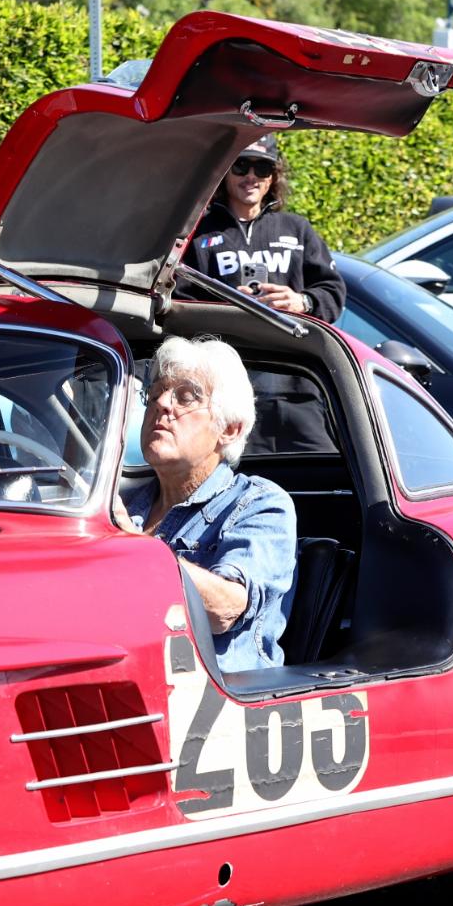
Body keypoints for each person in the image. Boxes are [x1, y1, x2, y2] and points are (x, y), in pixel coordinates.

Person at [121, 337, 296, 671]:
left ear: (229, 429)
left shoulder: (260, 503)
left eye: (185, 396)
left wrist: (133, 548)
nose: (162, 403)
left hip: (218, 703)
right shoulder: (127, 505)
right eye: (155, 392)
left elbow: (224, 609)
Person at [183, 134, 345, 323]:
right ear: (225, 172)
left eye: (262, 168)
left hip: (287, 347)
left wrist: (303, 302)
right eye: (241, 166)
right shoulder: (197, 232)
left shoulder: (297, 229)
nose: (251, 176)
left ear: (272, 178)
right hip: (222, 348)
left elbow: (333, 292)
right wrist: (226, 313)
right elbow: (178, 300)